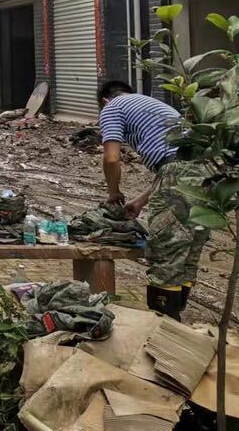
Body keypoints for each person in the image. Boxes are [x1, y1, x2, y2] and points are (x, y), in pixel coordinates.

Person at [98, 81, 209, 321]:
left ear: (105, 101)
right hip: (208, 171)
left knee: (166, 250)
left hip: (176, 171)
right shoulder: (153, 105)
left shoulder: (112, 107)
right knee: (187, 251)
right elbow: (175, 166)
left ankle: (165, 331)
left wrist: (113, 191)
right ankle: (178, 329)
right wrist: (140, 201)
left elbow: (111, 158)